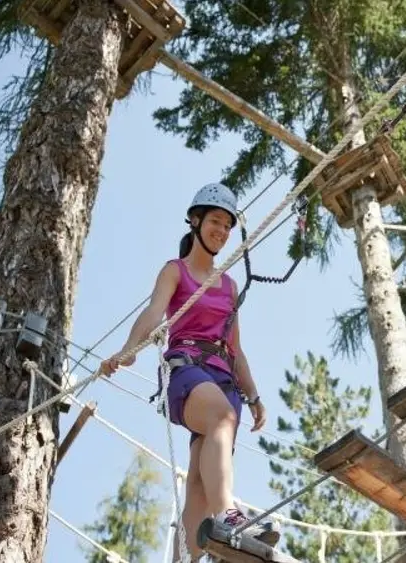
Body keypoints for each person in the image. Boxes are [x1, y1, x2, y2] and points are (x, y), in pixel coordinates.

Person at [101, 182, 280, 560]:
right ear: (195, 222)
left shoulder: (229, 287)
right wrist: (129, 351)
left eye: (228, 226)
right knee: (221, 415)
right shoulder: (175, 271)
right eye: (215, 221)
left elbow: (236, 349)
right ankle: (230, 517)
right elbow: (153, 313)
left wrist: (255, 395)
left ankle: (185, 558)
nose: (222, 231)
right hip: (187, 370)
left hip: (224, 379)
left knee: (200, 482)